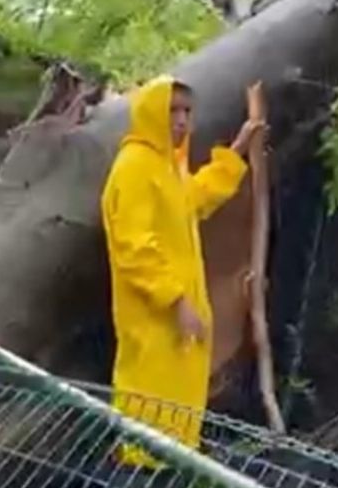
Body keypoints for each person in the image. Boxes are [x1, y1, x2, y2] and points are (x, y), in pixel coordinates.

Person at [101, 74, 264, 468]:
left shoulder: (167, 167)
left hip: (175, 322)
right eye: (171, 110)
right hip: (153, 321)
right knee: (147, 416)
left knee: (172, 416)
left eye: (187, 112)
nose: (180, 120)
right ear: (150, 112)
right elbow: (134, 248)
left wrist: (237, 151)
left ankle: (165, 476)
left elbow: (194, 198)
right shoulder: (135, 166)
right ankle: (136, 487)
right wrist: (176, 300)